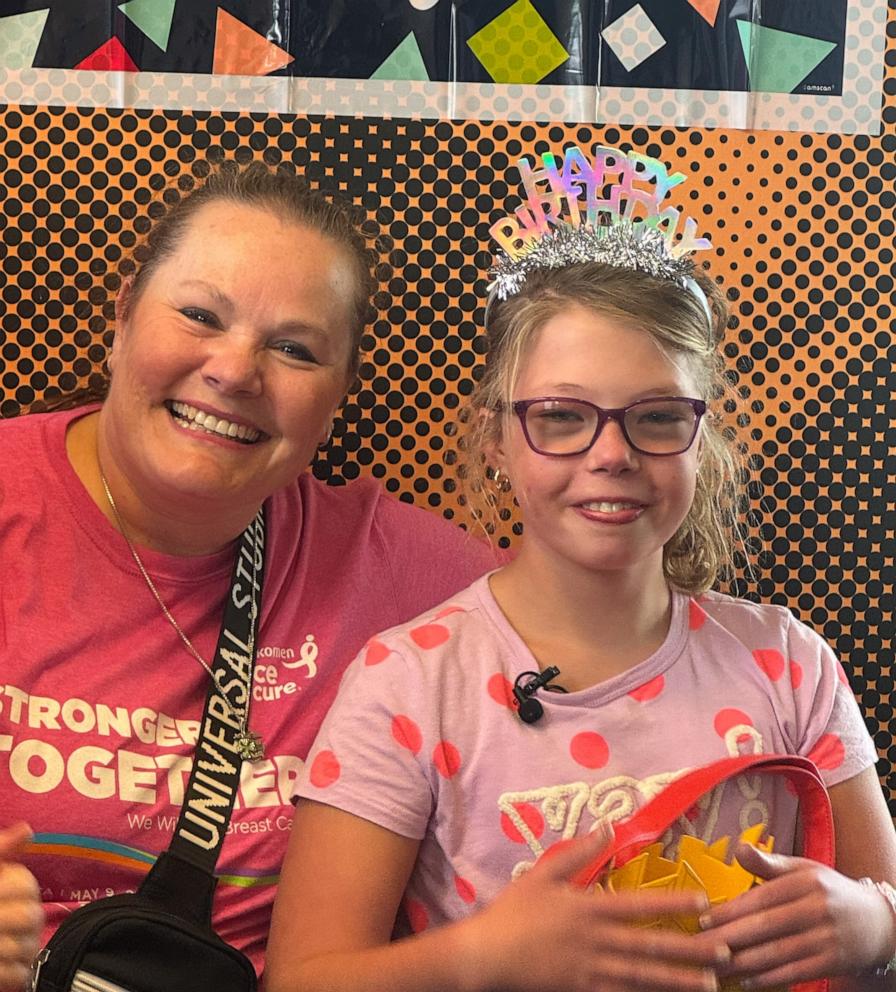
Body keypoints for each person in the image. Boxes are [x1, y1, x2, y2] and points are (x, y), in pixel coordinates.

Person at [266, 144, 896, 992]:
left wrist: (873, 922)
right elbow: (302, 979)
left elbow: (885, 895)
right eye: (561, 417)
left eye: (658, 416)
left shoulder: (789, 666)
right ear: (495, 439)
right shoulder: (409, 687)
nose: (611, 454)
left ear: (702, 439)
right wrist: (488, 958)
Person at [0, 160, 500, 990]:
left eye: (294, 349)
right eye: (200, 315)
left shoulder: (395, 566)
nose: (234, 371)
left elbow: (605, 627)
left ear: (338, 396)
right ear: (122, 316)